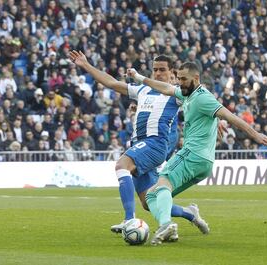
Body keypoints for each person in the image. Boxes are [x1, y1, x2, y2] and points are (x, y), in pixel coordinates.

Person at [127, 62, 267, 245]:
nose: (180, 83)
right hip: (204, 163)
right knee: (151, 196)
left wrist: (256, 135)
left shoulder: (203, 98)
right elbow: (164, 87)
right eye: (179, 79)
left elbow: (232, 117)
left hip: (193, 154)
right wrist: (139, 78)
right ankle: (181, 219)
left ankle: (166, 224)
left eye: (184, 79)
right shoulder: (187, 93)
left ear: (196, 79)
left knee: (164, 179)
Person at [69, 51, 209, 240]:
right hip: (140, 144)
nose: (158, 73)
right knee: (148, 202)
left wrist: (217, 120)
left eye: (162, 70)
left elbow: (201, 97)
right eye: (155, 70)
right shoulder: (142, 90)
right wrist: (85, 65)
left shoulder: (175, 93)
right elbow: (111, 82)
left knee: (121, 165)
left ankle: (129, 220)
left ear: (172, 73)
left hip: (154, 144)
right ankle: (190, 213)